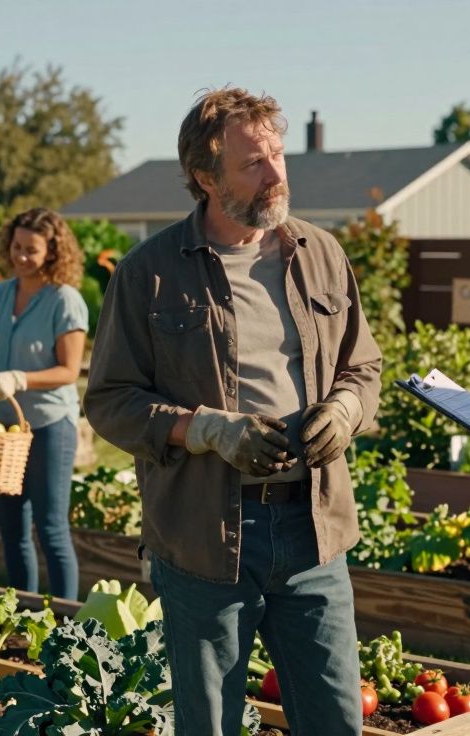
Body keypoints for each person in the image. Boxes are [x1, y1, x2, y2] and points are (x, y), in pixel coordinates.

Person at [84, 88, 381, 736]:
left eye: (277, 155)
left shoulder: (321, 254)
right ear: (206, 177)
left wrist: (348, 408)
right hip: (205, 536)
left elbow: (364, 365)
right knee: (210, 723)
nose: (275, 173)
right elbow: (109, 401)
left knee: (335, 720)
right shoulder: (150, 273)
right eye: (254, 163)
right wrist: (207, 429)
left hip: (313, 529)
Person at [0, 208, 87, 600]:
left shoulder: (65, 300)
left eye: (32, 249)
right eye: (16, 247)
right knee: (12, 529)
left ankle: (66, 624)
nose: (21, 256)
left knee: (50, 528)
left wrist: (21, 378)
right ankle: (24, 617)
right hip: (3, 431)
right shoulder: (0, 294)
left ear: (52, 252)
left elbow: (69, 370)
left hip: (48, 425)